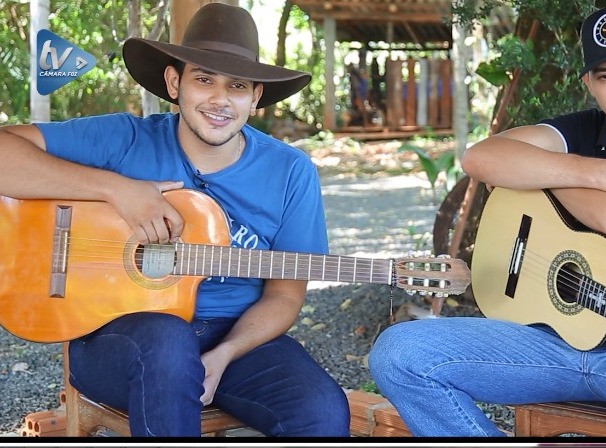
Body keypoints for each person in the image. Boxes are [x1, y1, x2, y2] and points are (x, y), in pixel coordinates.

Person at [368, 2, 606, 437]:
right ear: (588, 82)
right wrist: (604, 173)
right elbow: (481, 157)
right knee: (399, 352)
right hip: (556, 342)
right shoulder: (581, 133)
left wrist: (543, 175)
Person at [0, 3, 350, 437]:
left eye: (237, 86)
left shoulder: (291, 171)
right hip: (117, 335)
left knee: (322, 411)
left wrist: (226, 354)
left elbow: (285, 294)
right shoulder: (125, 140)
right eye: (204, 78)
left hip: (234, 338)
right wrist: (115, 188)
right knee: (167, 344)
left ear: (255, 97)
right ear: (174, 81)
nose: (220, 99)